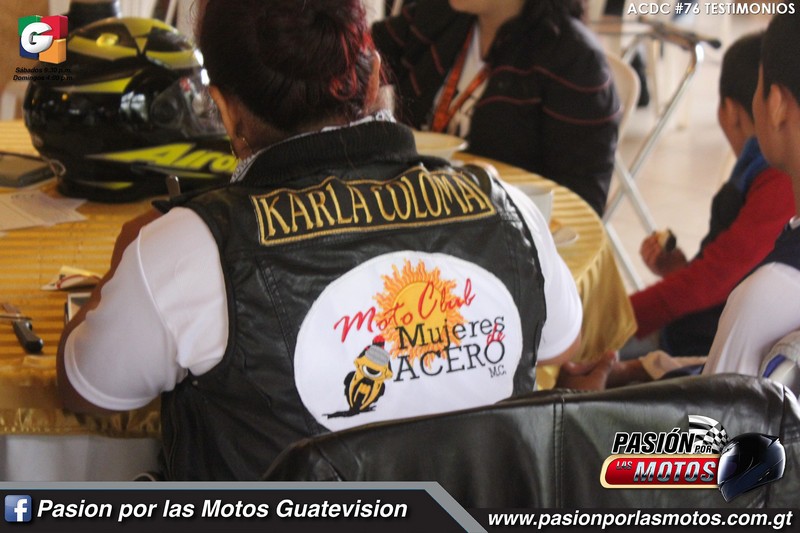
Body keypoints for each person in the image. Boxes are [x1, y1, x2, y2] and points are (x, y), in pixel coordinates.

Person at [56, 0, 592, 480]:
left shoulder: (191, 247)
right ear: (374, 76)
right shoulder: (507, 207)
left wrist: (129, 258)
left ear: (223, 108)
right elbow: (560, 342)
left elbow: (89, 389)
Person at [609, 7, 800, 384]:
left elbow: (711, 419)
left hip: (697, 360)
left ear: (776, 105)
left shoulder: (766, 294)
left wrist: (614, 325)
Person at [371, 0, 620, 215]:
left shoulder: (575, 61)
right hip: (414, 213)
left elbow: (579, 205)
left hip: (500, 237)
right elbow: (360, 58)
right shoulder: (439, 15)